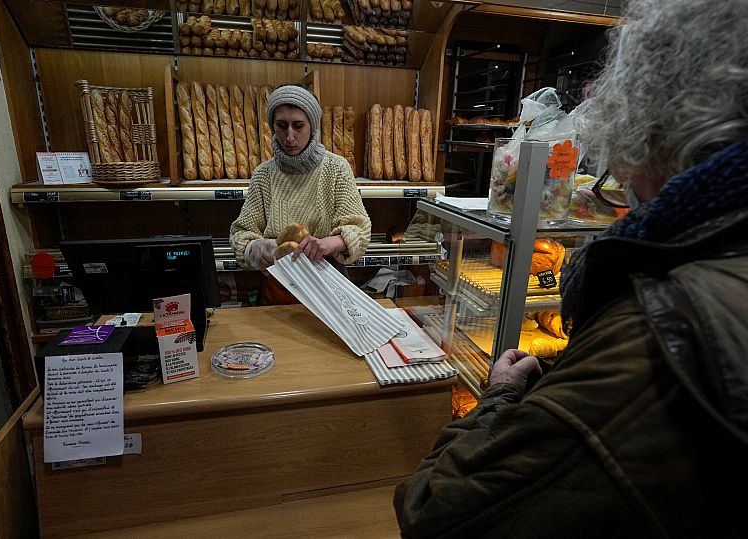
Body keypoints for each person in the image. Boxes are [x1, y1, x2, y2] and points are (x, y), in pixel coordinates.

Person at [394, 0, 748, 536]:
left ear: (652, 130)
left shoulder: (658, 329)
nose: (618, 182)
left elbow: (436, 512)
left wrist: (503, 397)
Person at [230, 85, 371, 304]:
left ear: (312, 126)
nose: (289, 137)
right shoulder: (263, 175)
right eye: (281, 126)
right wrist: (254, 248)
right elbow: (241, 233)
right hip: (278, 286)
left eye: (298, 126)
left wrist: (328, 244)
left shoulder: (335, 168)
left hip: (328, 283)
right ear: (272, 127)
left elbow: (359, 229)